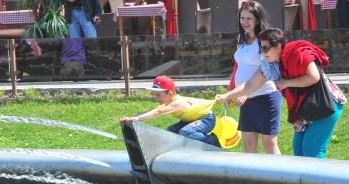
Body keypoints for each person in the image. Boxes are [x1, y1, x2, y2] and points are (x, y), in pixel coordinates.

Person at [216, 28, 346, 158]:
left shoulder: (297, 53)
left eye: (265, 48)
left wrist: (286, 83)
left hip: (326, 104)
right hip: (306, 109)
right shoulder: (269, 65)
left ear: (278, 46)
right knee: (299, 150)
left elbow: (314, 77)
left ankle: (318, 178)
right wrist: (226, 96)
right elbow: (250, 85)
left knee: (311, 152)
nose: (262, 53)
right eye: (260, 48)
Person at [226, 1, 281, 155]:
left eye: (249, 18)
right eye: (242, 18)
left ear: (257, 19)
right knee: (249, 145)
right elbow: (239, 66)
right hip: (247, 99)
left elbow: (265, 70)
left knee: (269, 144)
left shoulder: (264, 40)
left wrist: (244, 93)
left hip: (266, 97)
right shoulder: (241, 39)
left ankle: (280, 177)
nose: (245, 22)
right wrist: (232, 90)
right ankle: (253, 178)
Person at [120, 75, 221, 147]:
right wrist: (131, 118)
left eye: (158, 94)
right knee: (171, 131)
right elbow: (153, 111)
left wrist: (137, 118)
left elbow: (158, 113)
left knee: (186, 131)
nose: (155, 97)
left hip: (206, 120)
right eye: (154, 94)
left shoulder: (177, 103)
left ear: (170, 93)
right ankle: (182, 148)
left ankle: (211, 141)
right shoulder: (167, 102)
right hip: (190, 120)